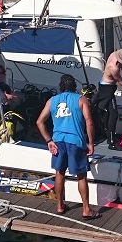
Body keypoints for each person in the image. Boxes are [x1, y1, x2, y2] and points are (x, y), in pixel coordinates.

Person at [36, 74, 98, 220]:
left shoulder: (52, 100)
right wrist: (91, 143)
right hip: (75, 141)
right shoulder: (81, 99)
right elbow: (89, 122)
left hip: (58, 141)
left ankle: (59, 206)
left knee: (60, 173)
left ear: (60, 86)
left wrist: (49, 141)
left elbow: (39, 122)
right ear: (74, 86)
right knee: (81, 175)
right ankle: (86, 209)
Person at [92, 48, 122, 150]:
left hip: (106, 86)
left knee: (109, 113)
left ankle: (110, 136)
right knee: (113, 114)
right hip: (107, 89)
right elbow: (121, 82)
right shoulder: (113, 68)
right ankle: (111, 142)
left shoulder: (114, 54)